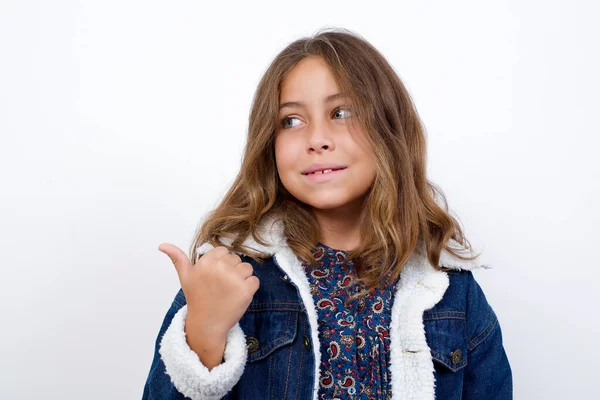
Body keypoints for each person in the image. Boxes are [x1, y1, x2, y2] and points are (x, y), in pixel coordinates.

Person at [142, 28, 513, 400]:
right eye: (291, 120)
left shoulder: (452, 293)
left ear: (388, 128)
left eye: (341, 112)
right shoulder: (229, 278)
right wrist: (204, 334)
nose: (316, 139)